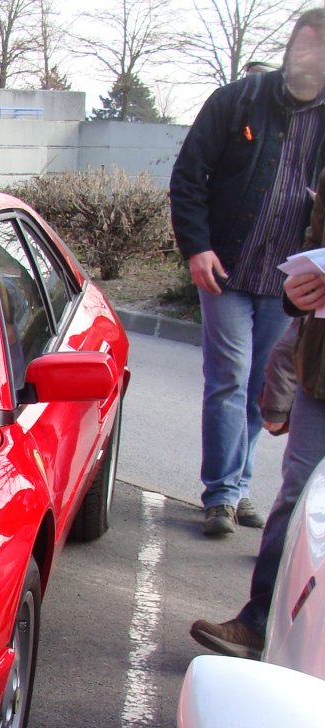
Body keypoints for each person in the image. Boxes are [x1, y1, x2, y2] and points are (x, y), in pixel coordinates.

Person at [169, 8, 325, 538]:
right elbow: (189, 174)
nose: (308, 59)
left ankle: (238, 485)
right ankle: (220, 495)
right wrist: (197, 248)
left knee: (263, 388)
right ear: (290, 48)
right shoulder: (240, 99)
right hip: (228, 270)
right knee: (228, 380)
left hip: (291, 285)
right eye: (303, 46)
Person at [191, 248, 325, 659]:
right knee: (299, 501)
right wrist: (295, 295)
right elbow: (309, 260)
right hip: (320, 379)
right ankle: (259, 623)